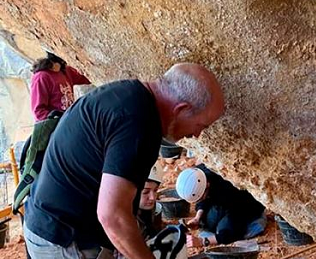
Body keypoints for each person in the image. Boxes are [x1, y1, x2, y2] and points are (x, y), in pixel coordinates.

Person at [23, 63, 225, 259]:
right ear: (181, 109)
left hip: (45, 225)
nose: (197, 134)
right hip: (66, 241)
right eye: (201, 125)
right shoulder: (140, 125)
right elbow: (112, 216)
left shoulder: (127, 95)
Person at [178, 165, 266, 249]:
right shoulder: (199, 174)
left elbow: (230, 233)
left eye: (200, 198)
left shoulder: (230, 194)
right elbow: (203, 199)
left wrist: (202, 241)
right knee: (207, 223)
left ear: (207, 185)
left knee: (224, 231)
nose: (198, 201)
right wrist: (197, 217)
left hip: (247, 205)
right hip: (223, 200)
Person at [30, 52, 91, 121]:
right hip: (57, 124)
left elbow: (89, 77)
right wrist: (56, 119)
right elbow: (38, 112)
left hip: (69, 119)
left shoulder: (66, 71)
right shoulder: (41, 77)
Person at [137, 161, 164, 241]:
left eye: (155, 190)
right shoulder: (122, 218)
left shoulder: (151, 208)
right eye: (145, 192)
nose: (152, 197)